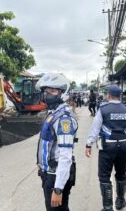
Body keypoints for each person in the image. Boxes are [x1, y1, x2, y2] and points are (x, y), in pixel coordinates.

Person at [85, 85, 126, 211]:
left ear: (109, 95)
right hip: (123, 145)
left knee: (104, 176)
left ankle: (108, 207)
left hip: (108, 146)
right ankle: (120, 200)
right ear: (119, 96)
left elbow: (95, 128)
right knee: (121, 174)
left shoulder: (103, 109)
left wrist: (89, 144)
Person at [36, 73, 78, 211]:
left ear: (62, 93)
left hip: (56, 177)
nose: (48, 95)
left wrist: (58, 189)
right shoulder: (54, 113)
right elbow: (47, 144)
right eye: (46, 91)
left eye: (52, 91)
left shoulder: (63, 119)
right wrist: (42, 165)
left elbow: (65, 156)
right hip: (50, 173)